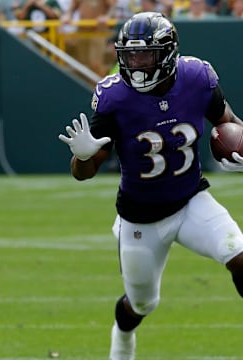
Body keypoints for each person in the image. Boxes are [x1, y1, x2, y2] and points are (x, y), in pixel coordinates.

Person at [59, 11, 243, 359]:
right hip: (140, 220)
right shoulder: (114, 97)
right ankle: (122, 343)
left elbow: (229, 123)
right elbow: (84, 172)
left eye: (145, 54)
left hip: (191, 201)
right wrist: (83, 156)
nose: (137, 63)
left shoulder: (197, 77)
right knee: (141, 304)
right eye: (129, 55)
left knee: (239, 254)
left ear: (168, 53)